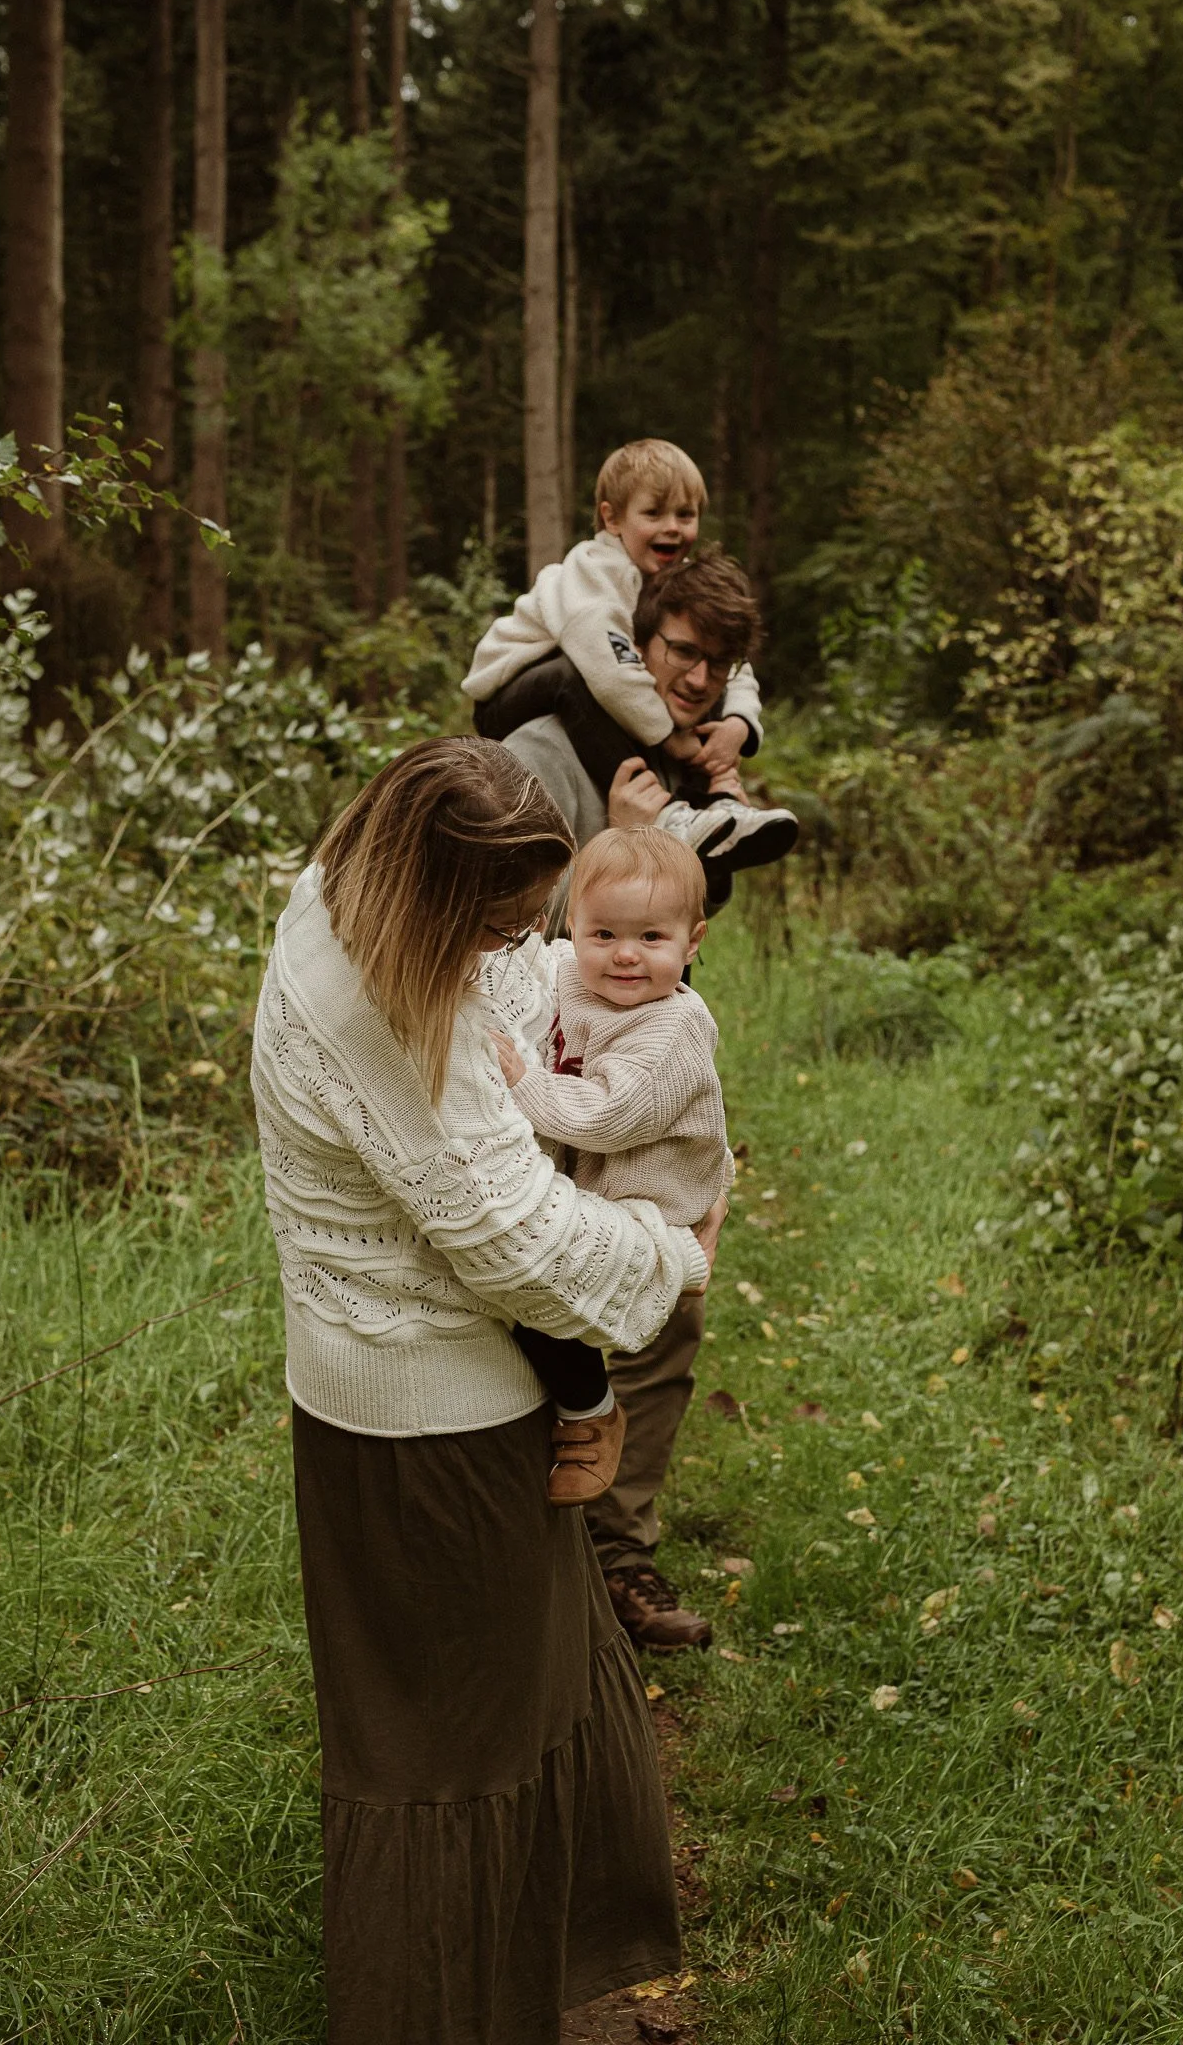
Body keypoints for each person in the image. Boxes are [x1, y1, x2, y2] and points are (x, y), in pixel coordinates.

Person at [251, 735, 725, 2044]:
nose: (515, 950)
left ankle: (538, 1983)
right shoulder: (393, 1021)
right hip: (430, 1436)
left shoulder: (342, 888)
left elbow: (512, 1008)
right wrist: (669, 1255)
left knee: (526, 1707)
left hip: (438, 1395)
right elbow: (517, 1245)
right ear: (437, 897)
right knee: (448, 1768)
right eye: (501, 924)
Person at [497, 549, 755, 1653]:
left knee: (647, 1346)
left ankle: (619, 1560)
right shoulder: (550, 749)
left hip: (618, 1148)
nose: (695, 680)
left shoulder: (688, 761)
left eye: (717, 663)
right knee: (541, 1340)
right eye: (678, 653)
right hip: (553, 1137)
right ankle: (535, 1550)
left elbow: (674, 915)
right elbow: (521, 917)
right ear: (632, 649)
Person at [493, 827, 730, 1514]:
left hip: (649, 1198)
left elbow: (605, 1115)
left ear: (692, 943)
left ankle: (589, 1409)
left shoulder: (669, 1030)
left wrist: (521, 1082)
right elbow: (528, 966)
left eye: (651, 939)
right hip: (594, 1179)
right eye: (604, 935)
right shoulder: (565, 966)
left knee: (542, 1278)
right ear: (573, 926)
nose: (625, 956)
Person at [464, 437, 798, 871]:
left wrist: (737, 724)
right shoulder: (592, 574)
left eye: (686, 514)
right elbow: (608, 671)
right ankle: (663, 815)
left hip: (590, 685)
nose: (673, 527)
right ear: (612, 518)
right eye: (654, 513)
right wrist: (669, 737)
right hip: (512, 693)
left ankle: (716, 810)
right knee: (575, 676)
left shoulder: (665, 586)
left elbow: (733, 663)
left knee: (701, 663)